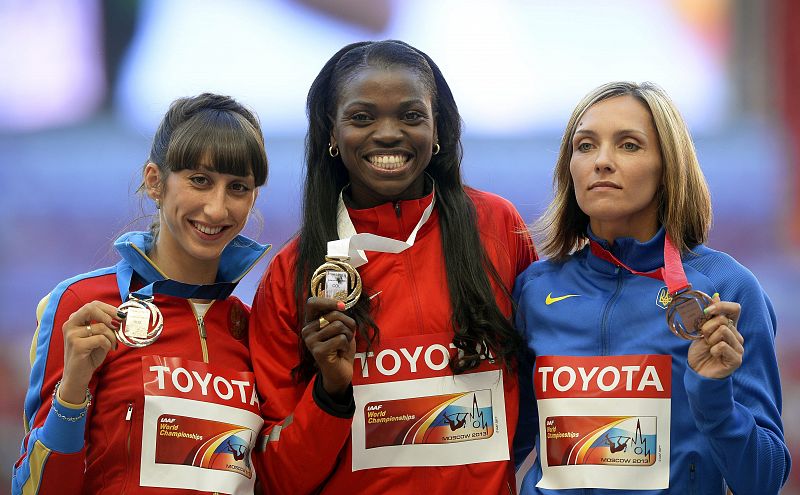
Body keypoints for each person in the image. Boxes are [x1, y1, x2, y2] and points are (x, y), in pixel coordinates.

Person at [249, 40, 536, 494]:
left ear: (437, 127)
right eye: (362, 117)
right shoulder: (294, 273)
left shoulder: (497, 227)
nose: (388, 133)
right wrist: (330, 395)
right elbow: (278, 479)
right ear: (330, 131)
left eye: (411, 116)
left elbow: (529, 401)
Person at [513, 81, 790, 494]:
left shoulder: (725, 289)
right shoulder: (535, 290)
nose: (601, 161)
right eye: (585, 145)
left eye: (628, 145)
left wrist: (713, 394)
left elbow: (762, 481)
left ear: (668, 167)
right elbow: (502, 449)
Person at [12, 93, 270, 495]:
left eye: (237, 187)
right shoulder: (83, 304)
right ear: (155, 182)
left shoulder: (254, 328)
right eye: (199, 181)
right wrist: (72, 392)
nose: (217, 210)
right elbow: (35, 490)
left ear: (253, 197)